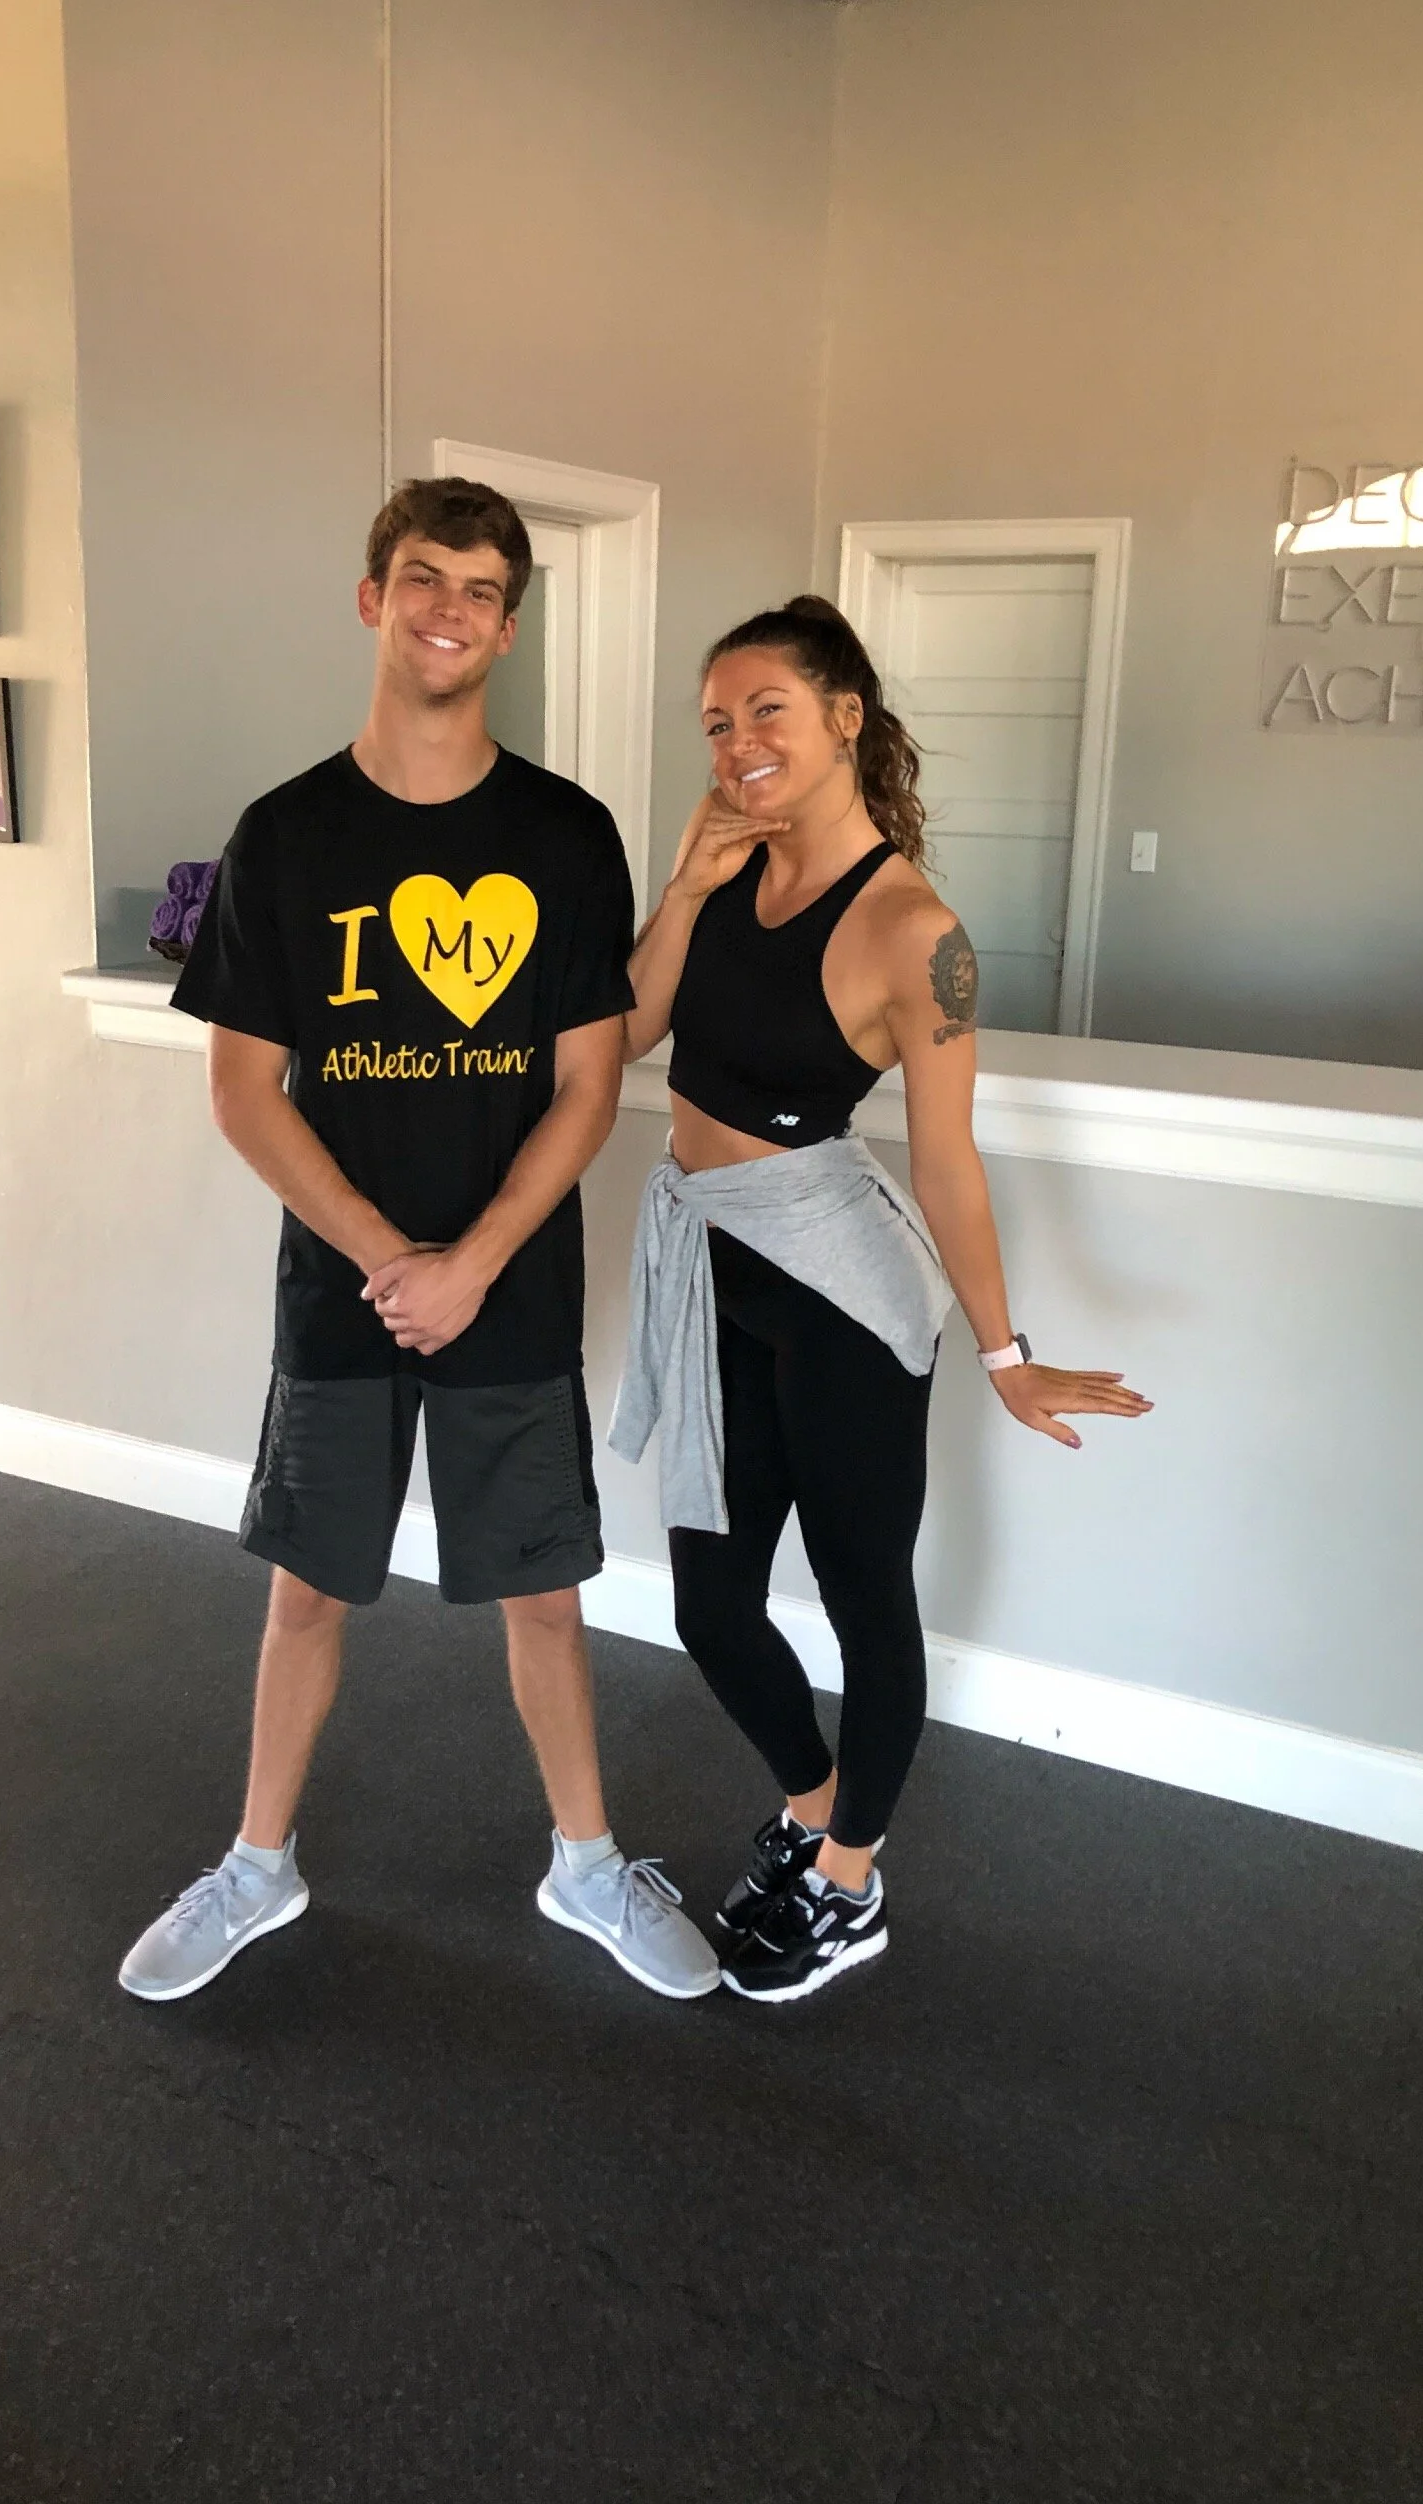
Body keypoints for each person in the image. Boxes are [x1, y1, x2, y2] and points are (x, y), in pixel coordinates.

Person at [119, 477, 717, 2007]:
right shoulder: (286, 837)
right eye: (423, 577)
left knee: (541, 1594)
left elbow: (590, 1085)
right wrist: (397, 1261)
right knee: (306, 1589)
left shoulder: (564, 834)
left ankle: (585, 1863)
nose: (449, 608)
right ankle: (257, 1864)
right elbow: (244, 1095)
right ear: (372, 598)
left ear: (506, 628)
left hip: (507, 1291)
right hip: (345, 1297)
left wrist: (473, 1263)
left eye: (480, 589)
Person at [612, 595, 1151, 2004]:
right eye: (716, 722)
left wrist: (1007, 1357)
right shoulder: (728, 865)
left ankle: (849, 1884)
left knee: (864, 1602)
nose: (736, 743)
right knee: (711, 1605)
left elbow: (946, 1160)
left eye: (766, 711)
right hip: (713, 1263)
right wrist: (683, 886)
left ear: (843, 716)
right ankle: (810, 1811)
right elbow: (633, 1029)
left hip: (840, 1296)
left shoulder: (917, 932)